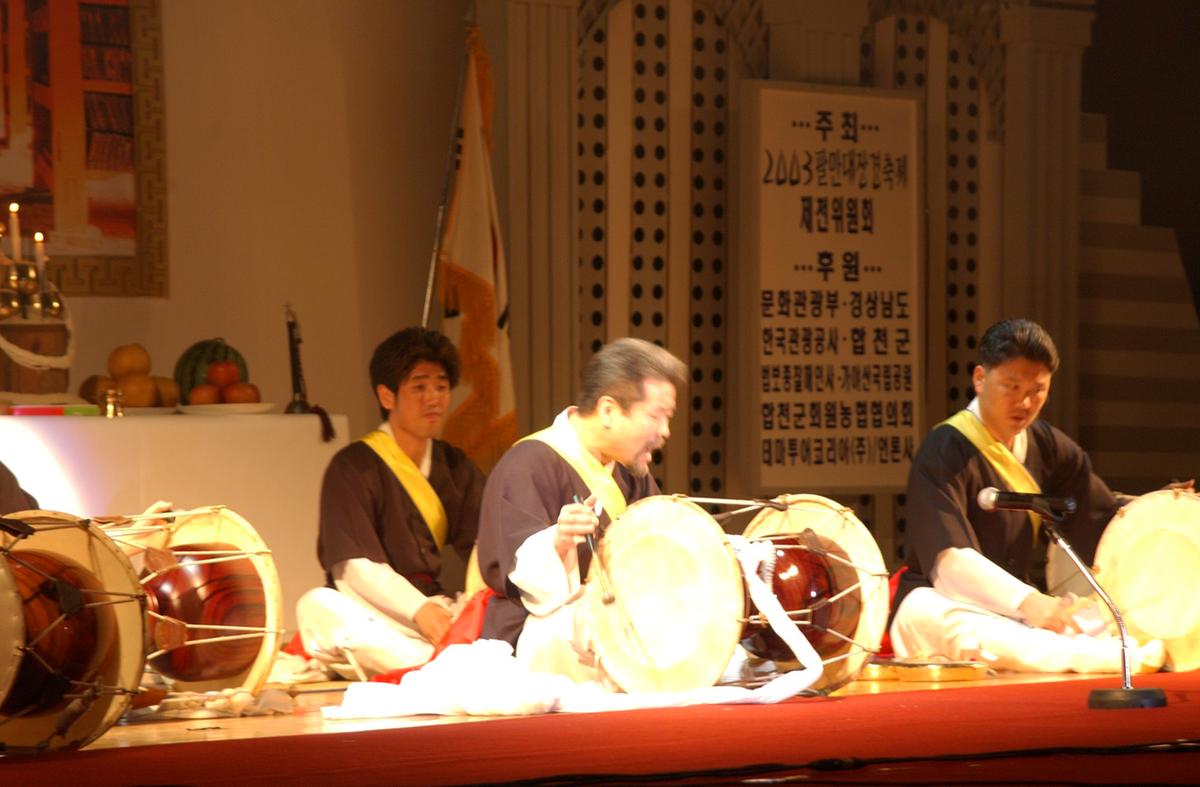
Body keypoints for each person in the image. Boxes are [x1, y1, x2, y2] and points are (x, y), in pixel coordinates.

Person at [890, 318, 1190, 674]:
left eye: (1038, 389)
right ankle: (1116, 657)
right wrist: (1028, 601)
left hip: (1022, 610)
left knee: (1109, 612)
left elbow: (1103, 522)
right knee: (949, 620)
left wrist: (1159, 512)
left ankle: (1116, 648)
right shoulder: (944, 449)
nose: (1025, 402)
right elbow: (950, 563)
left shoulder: (1048, 446)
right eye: (1011, 387)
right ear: (980, 379)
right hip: (941, 603)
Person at [475, 337, 686, 682]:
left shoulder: (629, 472)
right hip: (536, 634)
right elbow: (523, 580)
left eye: (668, 418)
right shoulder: (527, 464)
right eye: (656, 416)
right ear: (608, 410)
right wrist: (557, 542)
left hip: (611, 618)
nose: (665, 432)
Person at [296, 327, 484, 677]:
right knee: (318, 606)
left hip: (436, 607)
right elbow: (352, 567)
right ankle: (436, 668)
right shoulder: (353, 466)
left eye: (441, 387)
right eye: (419, 387)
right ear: (387, 396)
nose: (434, 399)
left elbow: (485, 545)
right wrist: (416, 610)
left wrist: (474, 601)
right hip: (375, 611)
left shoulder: (455, 466)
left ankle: (437, 664)